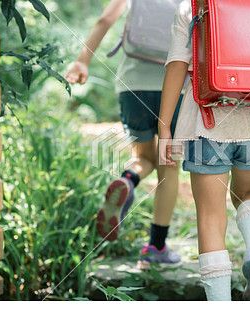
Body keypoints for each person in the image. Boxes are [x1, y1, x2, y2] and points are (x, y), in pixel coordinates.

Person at [159, 1, 250, 300]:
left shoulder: (192, 6)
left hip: (206, 121)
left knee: (210, 215)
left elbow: (178, 65)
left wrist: (165, 126)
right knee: (247, 193)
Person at [65, 0, 182, 269]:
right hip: (177, 86)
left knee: (144, 157)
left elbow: (104, 20)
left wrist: (82, 60)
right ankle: (156, 246)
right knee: (169, 164)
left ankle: (128, 180)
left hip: (133, 84)